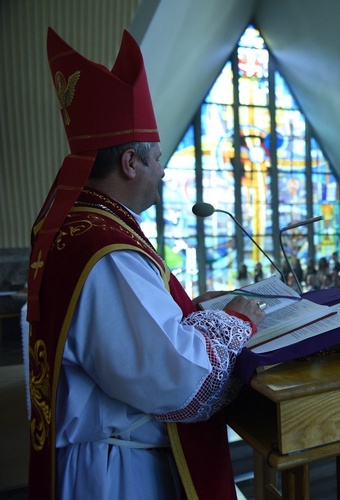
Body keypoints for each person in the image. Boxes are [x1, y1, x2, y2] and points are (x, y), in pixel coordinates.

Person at [27, 29, 266, 499]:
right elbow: (177, 377)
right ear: (131, 163)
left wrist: (186, 313)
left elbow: (124, 335)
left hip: (115, 455)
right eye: (157, 158)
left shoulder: (84, 228)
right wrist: (237, 322)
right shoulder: (103, 249)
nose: (164, 169)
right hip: (119, 472)